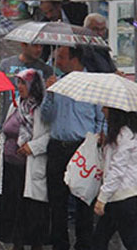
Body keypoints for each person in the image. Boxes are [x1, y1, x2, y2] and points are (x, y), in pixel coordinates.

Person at [42, 46, 105, 250]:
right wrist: (49, 94)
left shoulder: (93, 85)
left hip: (82, 147)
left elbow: (101, 118)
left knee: (84, 199)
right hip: (58, 147)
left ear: (75, 59)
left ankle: (84, 243)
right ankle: (60, 243)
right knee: (56, 200)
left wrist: (97, 140)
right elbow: (45, 117)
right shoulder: (57, 83)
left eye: (61, 57)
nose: (57, 62)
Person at [0, 69, 50, 249]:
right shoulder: (16, 106)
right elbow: (6, 129)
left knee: (30, 213)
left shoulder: (41, 110)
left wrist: (32, 147)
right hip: (11, 169)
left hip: (29, 169)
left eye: (24, 83)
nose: (20, 87)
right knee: (14, 210)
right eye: (19, 83)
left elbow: (49, 135)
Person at [93, 107, 137, 250]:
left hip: (123, 197)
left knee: (130, 241)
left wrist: (102, 198)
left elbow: (117, 170)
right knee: (99, 240)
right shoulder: (119, 134)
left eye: (105, 107)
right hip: (115, 197)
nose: (102, 110)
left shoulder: (124, 135)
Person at [0, 42, 53, 134]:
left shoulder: (46, 70)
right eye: (35, 46)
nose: (39, 49)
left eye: (41, 46)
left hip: (34, 127)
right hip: (10, 123)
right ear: (23, 45)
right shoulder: (6, 64)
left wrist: (51, 86)